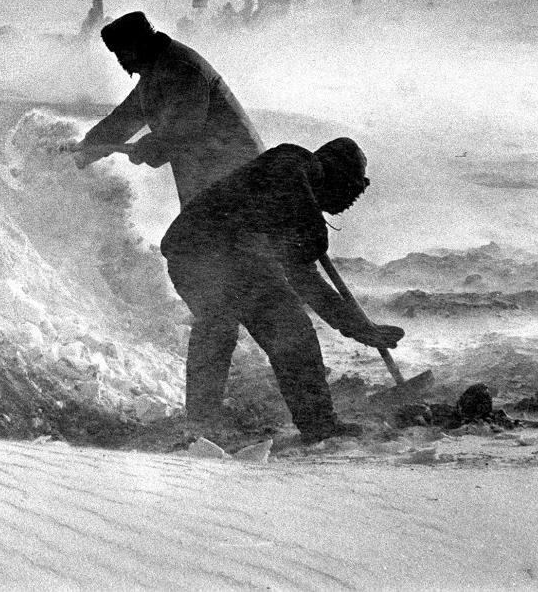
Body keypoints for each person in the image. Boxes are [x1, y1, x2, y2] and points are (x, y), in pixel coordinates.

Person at [159, 137, 405, 445]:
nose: (351, 201)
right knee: (257, 327)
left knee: (249, 326)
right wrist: (312, 226)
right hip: (207, 253)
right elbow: (290, 174)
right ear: (337, 175)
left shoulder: (295, 202)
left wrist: (359, 328)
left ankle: (208, 422)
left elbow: (307, 282)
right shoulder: (297, 162)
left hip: (210, 256)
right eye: (354, 188)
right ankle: (210, 422)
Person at [72, 11, 262, 207]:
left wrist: (150, 146)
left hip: (236, 171)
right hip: (206, 175)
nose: (120, 60)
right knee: (193, 233)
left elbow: (184, 128)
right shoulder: (154, 72)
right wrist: (84, 149)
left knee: (197, 234)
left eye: (122, 52)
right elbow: (123, 120)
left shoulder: (180, 66)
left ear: (138, 44)